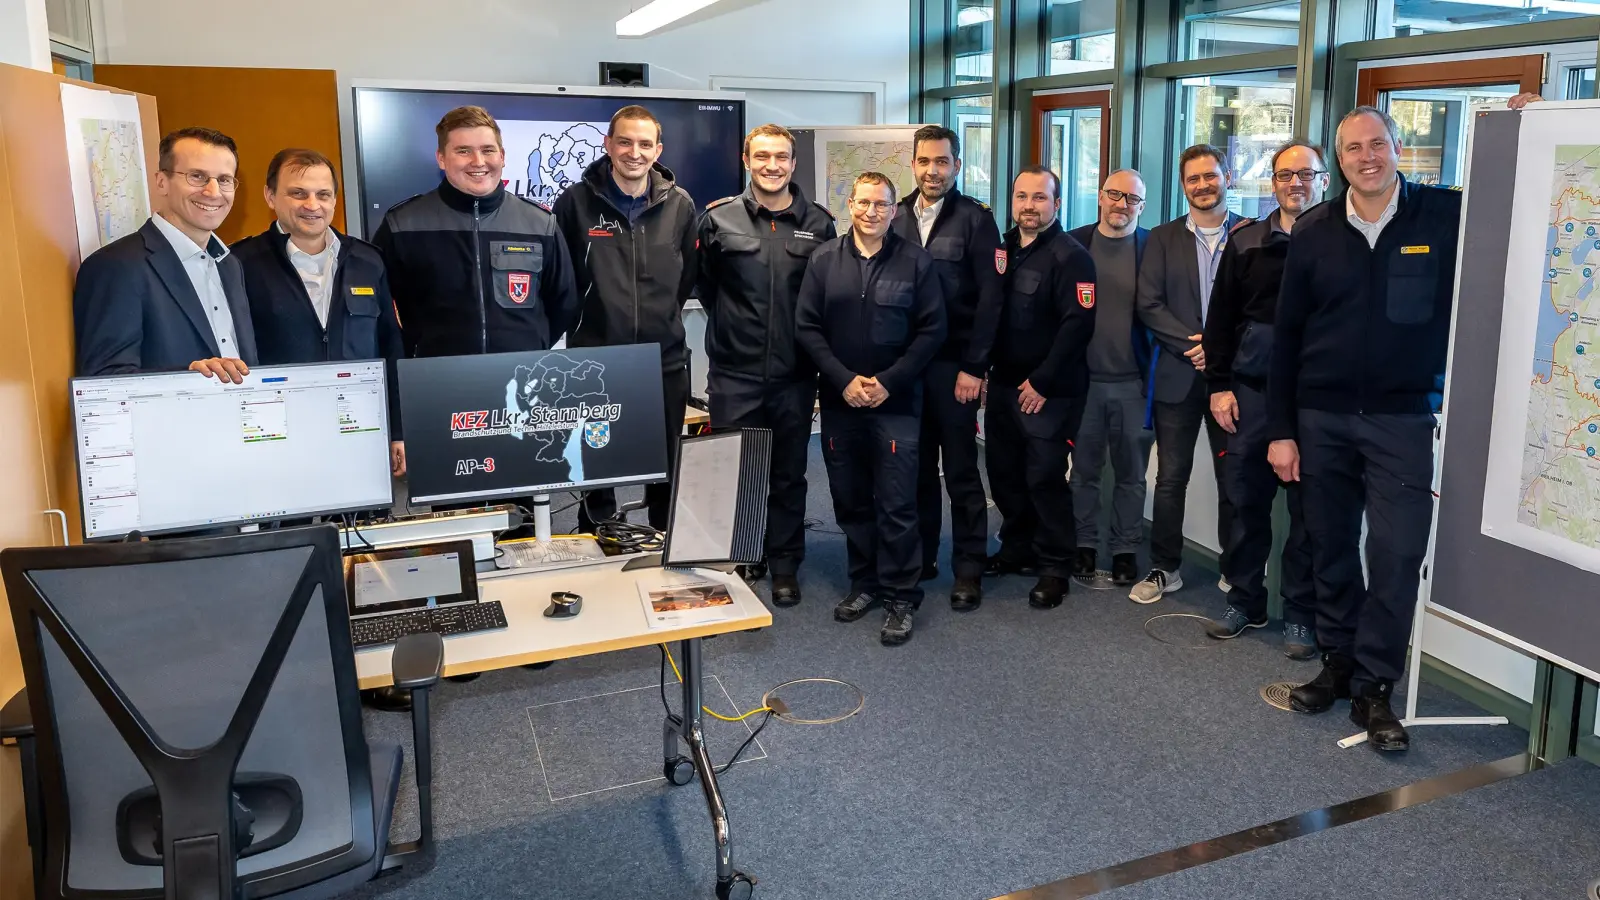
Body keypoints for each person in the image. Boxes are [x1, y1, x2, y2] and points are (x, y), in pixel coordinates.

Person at [1270, 106, 1463, 751]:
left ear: (1398, 147)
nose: (1367, 157)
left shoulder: (1444, 216)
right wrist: (1282, 430)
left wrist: (1522, 121)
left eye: (1377, 144)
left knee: (1397, 552)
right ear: (1340, 159)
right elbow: (1287, 337)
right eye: (1353, 148)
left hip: (1401, 420)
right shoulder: (1314, 231)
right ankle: (1339, 663)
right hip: (1321, 418)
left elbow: (1515, 198)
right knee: (1328, 545)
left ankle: (1375, 685)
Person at [796, 172, 946, 645]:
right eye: (863, 203)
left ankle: (901, 594)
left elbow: (932, 332)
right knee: (851, 499)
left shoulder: (916, 262)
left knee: (898, 502)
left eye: (881, 204)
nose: (871, 212)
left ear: (893, 210)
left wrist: (888, 382)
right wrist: (843, 380)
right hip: (841, 402)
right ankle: (865, 582)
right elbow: (807, 328)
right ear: (850, 206)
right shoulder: (824, 260)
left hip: (896, 404)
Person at [697, 124, 837, 607]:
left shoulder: (819, 223)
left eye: (781, 157)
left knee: (788, 475)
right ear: (746, 160)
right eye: (762, 156)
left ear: (793, 164)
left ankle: (784, 564)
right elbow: (707, 288)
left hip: (794, 376)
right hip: (734, 375)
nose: (771, 165)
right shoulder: (717, 219)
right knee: (735, 472)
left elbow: (823, 298)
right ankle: (742, 556)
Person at [1199, 140, 1328, 658]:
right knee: (1244, 505)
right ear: (1272, 183)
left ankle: (1300, 615)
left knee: (1309, 516)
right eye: (1285, 175)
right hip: (1250, 395)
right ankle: (1245, 601)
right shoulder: (1246, 240)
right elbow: (1220, 320)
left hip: (1314, 402)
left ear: (1323, 180)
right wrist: (1218, 385)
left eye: (1306, 174)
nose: (1295, 183)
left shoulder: (1341, 240)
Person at [554, 105, 698, 533]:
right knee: (595, 460)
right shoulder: (575, 203)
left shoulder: (680, 204)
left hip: (663, 357)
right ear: (608, 145)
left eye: (644, 144)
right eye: (625, 142)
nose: (635, 152)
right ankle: (598, 534)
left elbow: (686, 276)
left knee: (667, 458)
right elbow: (561, 277)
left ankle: (664, 533)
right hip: (595, 362)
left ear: (658, 150)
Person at [233, 148, 406, 478]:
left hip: (360, 431)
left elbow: (390, 346)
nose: (312, 205)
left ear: (334, 200)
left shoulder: (368, 261)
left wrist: (397, 429)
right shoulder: (239, 265)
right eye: (298, 193)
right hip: (277, 436)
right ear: (270, 196)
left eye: (323, 194)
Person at [890, 125, 1004, 611]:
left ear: (957, 164)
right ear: (913, 164)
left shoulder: (976, 219)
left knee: (960, 472)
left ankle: (969, 568)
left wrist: (975, 367)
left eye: (942, 161)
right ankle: (923, 557)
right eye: (924, 161)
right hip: (906, 369)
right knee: (914, 470)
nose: (932, 170)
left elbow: (991, 300)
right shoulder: (895, 215)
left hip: (954, 368)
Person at [1129, 144, 1248, 605]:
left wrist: (1219, 351)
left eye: (1210, 176)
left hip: (1232, 382)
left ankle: (1236, 570)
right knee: (1170, 477)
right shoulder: (1162, 238)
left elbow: (1260, 306)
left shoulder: (1251, 234)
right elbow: (1148, 303)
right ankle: (1165, 567)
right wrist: (1193, 346)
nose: (1202, 185)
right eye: (1193, 179)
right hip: (1179, 376)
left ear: (1227, 177)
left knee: (1232, 478)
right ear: (1183, 185)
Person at [372, 105, 578, 360]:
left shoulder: (540, 223)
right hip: (434, 375)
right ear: (441, 158)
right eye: (463, 151)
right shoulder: (402, 224)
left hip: (522, 375)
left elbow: (563, 304)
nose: (478, 162)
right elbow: (379, 308)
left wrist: (534, 345)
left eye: (487, 150)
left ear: (502, 156)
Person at [985, 166, 1097, 609]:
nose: (1029, 206)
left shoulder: (1072, 257)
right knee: (1004, 474)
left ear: (1057, 204)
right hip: (1004, 385)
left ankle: (1055, 566)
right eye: (1022, 197)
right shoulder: (1005, 248)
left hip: (1049, 391)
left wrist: (1041, 382)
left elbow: (1077, 325)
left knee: (1044, 478)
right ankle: (1017, 548)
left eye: (1039, 197)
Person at [74, 127, 257, 381]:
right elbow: (104, 379)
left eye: (224, 180)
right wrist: (189, 376)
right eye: (197, 176)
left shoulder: (230, 264)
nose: (214, 192)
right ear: (162, 182)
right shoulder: (116, 267)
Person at [1067, 170, 1154, 587]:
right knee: (1083, 471)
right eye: (1114, 194)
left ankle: (1124, 549)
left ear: (1142, 206)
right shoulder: (1073, 244)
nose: (1121, 204)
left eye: (1131, 199)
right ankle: (1083, 544)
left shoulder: (1153, 248)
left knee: (1131, 475)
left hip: (1135, 384)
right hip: (1082, 383)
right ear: (1100, 197)